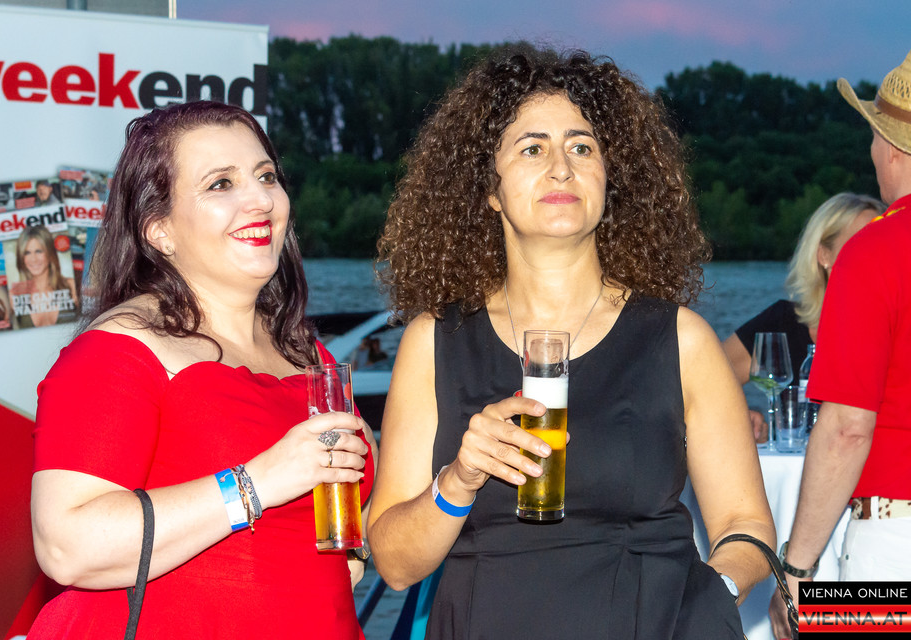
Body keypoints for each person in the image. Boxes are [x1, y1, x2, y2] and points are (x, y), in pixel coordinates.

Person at [369, 45, 774, 639]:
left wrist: (708, 600)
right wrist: (459, 478)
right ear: (488, 188)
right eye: (532, 148)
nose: (561, 167)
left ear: (610, 180)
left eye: (582, 147)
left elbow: (747, 526)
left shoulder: (680, 339)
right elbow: (395, 564)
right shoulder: (435, 340)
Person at [26, 101, 375, 638]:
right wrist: (257, 483)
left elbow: (347, 493)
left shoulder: (305, 351)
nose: (261, 200)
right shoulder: (117, 351)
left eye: (266, 177)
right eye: (221, 184)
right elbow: (66, 546)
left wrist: (357, 546)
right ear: (159, 229)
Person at [769, 50, 911, 639]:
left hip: (895, 545)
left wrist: (796, 572)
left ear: (893, 147)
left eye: (873, 135)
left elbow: (848, 427)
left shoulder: (874, 250)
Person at [722, 193, 883, 441]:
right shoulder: (782, 323)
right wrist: (740, 417)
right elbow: (700, 381)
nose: (873, 256)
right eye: (859, 243)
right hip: (793, 465)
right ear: (824, 255)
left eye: (881, 245)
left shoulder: (897, 333)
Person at [9, 225, 79, 328]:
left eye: (39, 251)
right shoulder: (14, 295)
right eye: (27, 253)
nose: (33, 259)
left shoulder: (71, 285)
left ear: (50, 253)